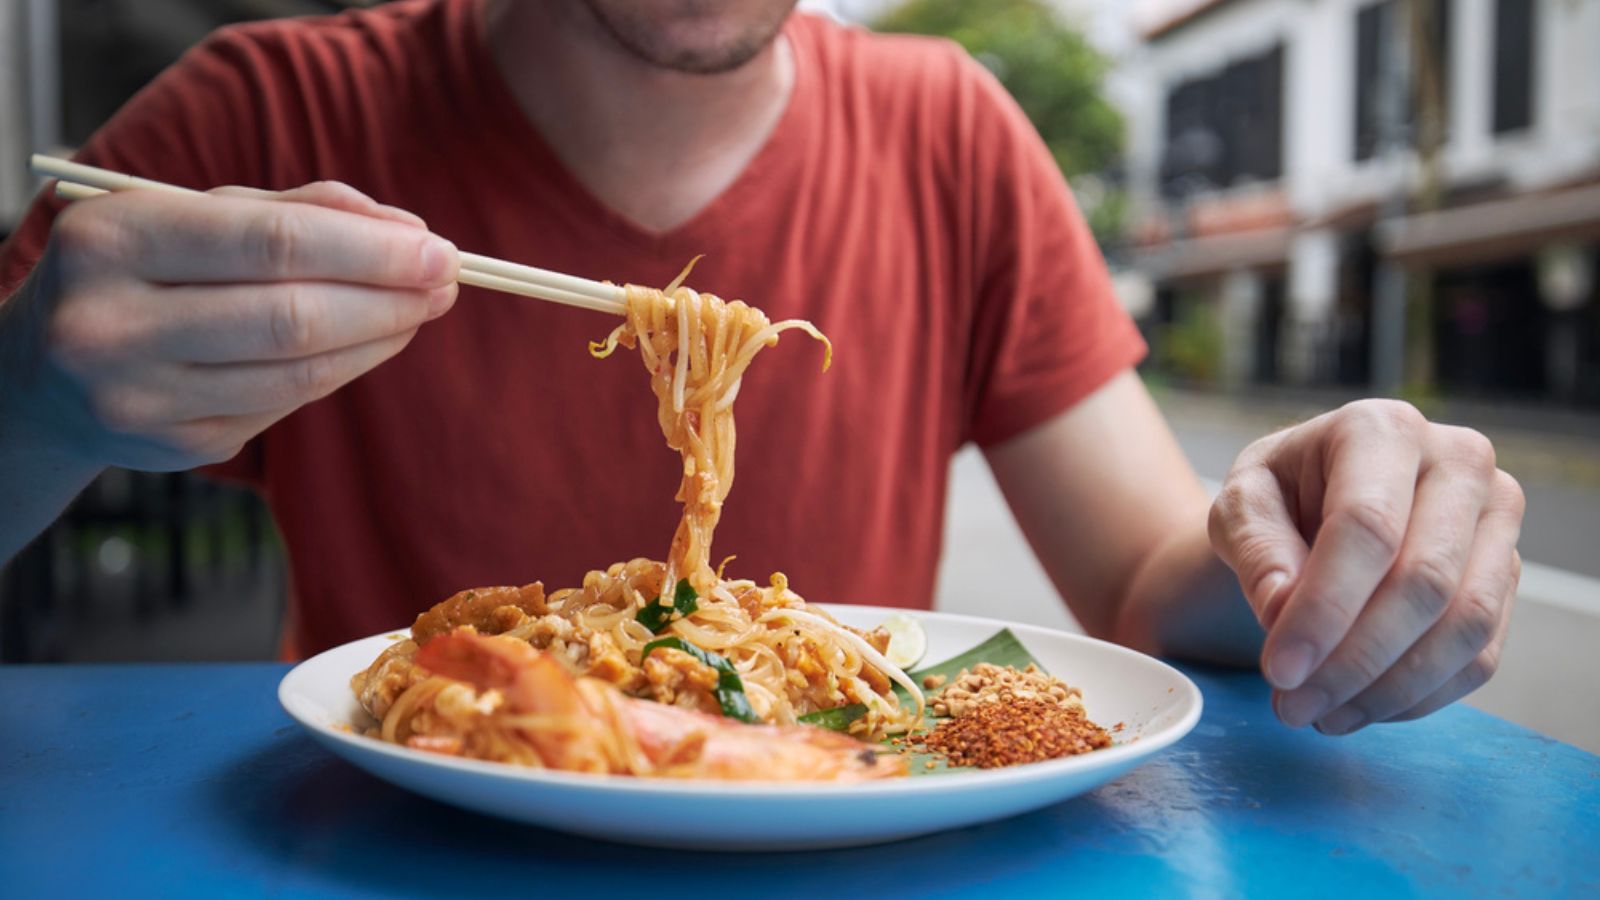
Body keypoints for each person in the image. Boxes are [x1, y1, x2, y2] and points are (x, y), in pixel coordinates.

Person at [0, 0, 1523, 737]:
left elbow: (1141, 581)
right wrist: (25, 403)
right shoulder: (262, 120)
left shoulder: (952, 134)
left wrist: (1300, 533)